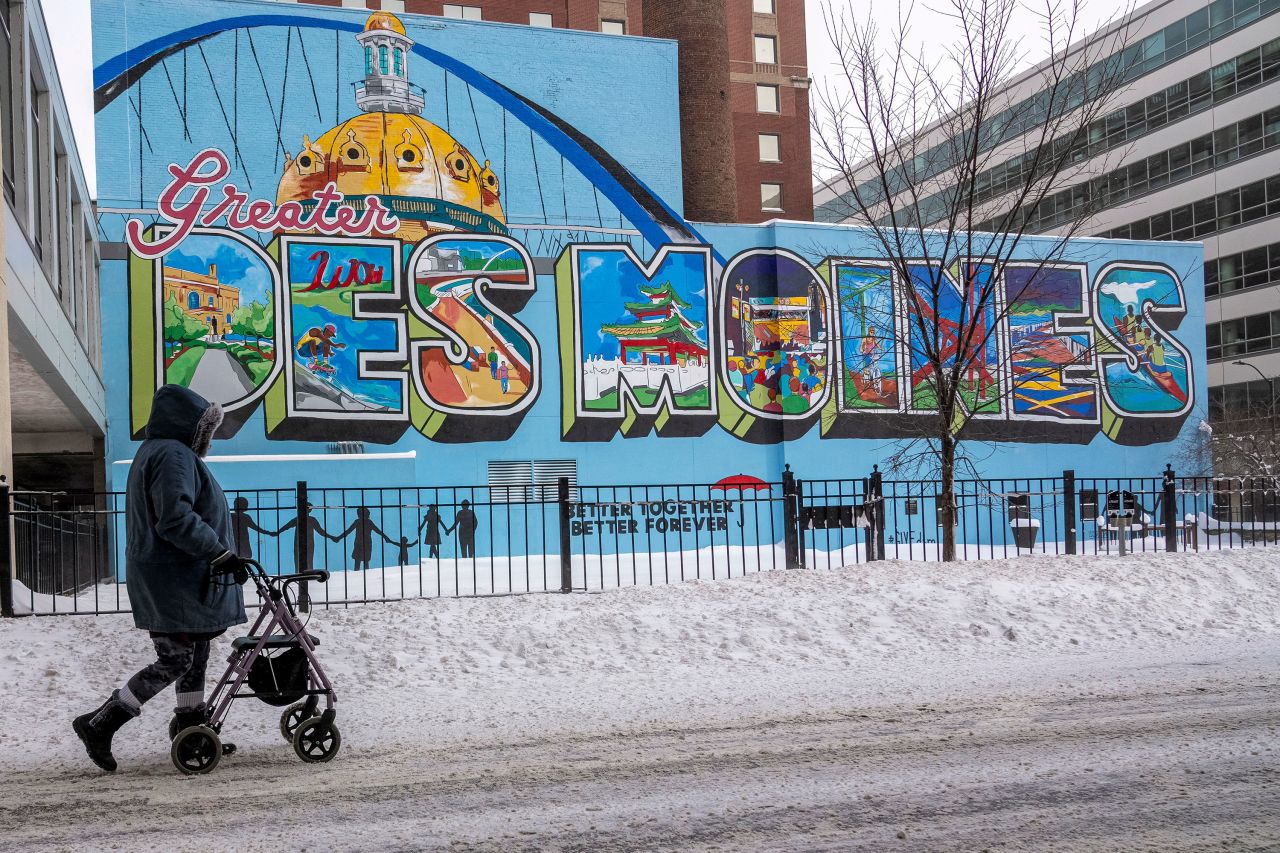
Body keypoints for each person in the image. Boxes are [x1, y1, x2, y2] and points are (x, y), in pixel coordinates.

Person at [73, 385, 248, 773]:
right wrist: (219, 553)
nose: (208, 437)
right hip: (173, 578)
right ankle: (100, 724)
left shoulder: (164, 452)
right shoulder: (172, 455)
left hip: (177, 575)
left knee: (196, 652)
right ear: (191, 426)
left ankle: (191, 726)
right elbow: (175, 518)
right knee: (177, 659)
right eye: (206, 428)